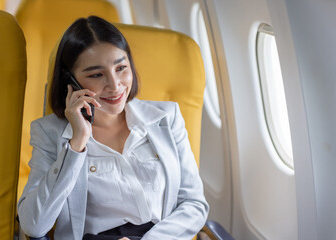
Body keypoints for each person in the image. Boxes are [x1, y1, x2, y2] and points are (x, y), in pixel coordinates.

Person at [18, 16, 209, 240]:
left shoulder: (167, 118)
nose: (115, 85)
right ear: (71, 81)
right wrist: (76, 144)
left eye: (121, 68)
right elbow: (33, 225)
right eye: (96, 74)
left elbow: (194, 204)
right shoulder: (48, 132)